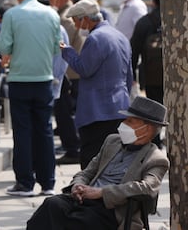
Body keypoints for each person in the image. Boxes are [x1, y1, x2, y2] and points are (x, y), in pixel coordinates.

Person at [26, 96, 169, 230]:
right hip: (85, 199)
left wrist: (101, 193)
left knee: (76, 222)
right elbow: (88, 172)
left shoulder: (155, 158)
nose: (124, 124)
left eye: (130, 121)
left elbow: (147, 188)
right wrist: (78, 185)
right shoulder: (112, 142)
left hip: (111, 210)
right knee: (51, 204)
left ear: (147, 129)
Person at [0, 0, 62, 197]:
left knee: (22, 132)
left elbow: (4, 46)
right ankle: (48, 182)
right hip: (44, 79)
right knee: (45, 131)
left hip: (19, 80)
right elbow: (56, 47)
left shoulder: (12, 14)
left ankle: (25, 183)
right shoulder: (51, 14)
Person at [61, 0, 132, 169]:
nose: (76, 26)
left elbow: (85, 69)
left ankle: (91, 187)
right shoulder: (120, 36)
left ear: (85, 19)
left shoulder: (95, 38)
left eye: (76, 21)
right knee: (114, 158)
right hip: (119, 105)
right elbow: (129, 75)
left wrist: (68, 52)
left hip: (98, 110)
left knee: (91, 159)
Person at [45, 0, 83, 165]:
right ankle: (72, 146)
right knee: (65, 112)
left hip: (68, 73)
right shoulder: (65, 14)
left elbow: (61, 47)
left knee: (64, 113)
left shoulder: (65, 18)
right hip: (70, 71)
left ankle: (72, 148)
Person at [130, 0, 163, 146]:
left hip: (152, 77)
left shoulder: (145, 22)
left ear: (153, 0)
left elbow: (133, 52)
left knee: (154, 115)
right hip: (181, 78)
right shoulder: (181, 19)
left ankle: (156, 145)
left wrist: (132, 77)